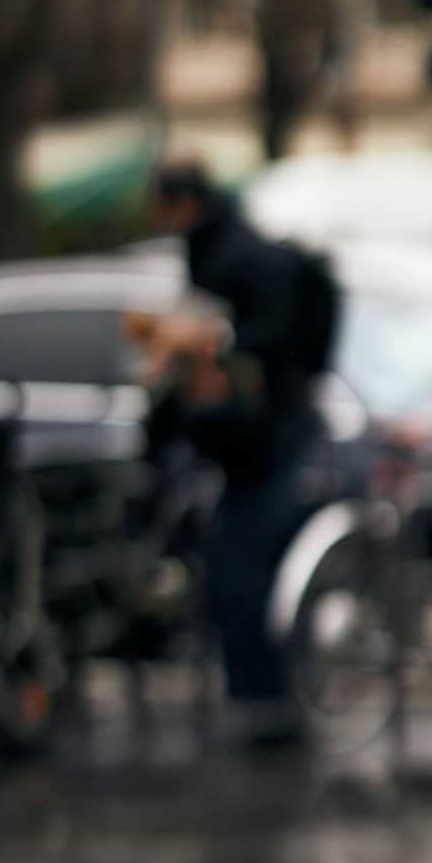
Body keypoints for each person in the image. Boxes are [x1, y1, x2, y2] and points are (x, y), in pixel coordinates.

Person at [146, 161, 332, 742]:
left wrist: (213, 339)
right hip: (254, 442)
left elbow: (272, 335)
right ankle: (260, 698)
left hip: (265, 441)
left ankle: (265, 703)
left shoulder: (237, 255)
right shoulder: (222, 246)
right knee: (237, 561)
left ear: (181, 202)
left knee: (242, 564)